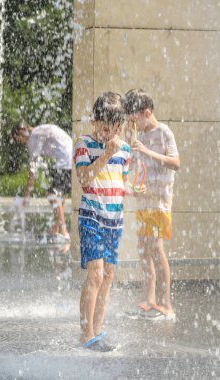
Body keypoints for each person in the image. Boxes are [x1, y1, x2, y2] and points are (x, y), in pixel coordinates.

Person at [73, 91, 143, 352]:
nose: (110, 133)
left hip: (114, 220)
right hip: (91, 216)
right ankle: (86, 334)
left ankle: (98, 331)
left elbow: (120, 183)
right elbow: (85, 179)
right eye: (105, 127)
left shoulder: (124, 150)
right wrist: (104, 155)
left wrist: (132, 190)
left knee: (109, 276)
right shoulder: (83, 144)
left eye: (115, 128)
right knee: (95, 274)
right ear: (95, 121)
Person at [124, 89, 180, 321]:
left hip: (160, 202)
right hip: (145, 202)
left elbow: (175, 163)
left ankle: (167, 304)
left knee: (156, 248)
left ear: (146, 112)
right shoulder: (139, 137)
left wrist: (148, 151)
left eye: (134, 118)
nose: (132, 123)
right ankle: (150, 299)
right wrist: (133, 187)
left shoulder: (164, 132)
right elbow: (136, 169)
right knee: (143, 248)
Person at [12, 122, 72, 242]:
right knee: (60, 196)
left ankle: (64, 232)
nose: (20, 142)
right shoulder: (39, 131)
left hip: (65, 159)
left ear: (21, 132)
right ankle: (55, 229)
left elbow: (32, 170)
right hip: (70, 156)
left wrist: (27, 195)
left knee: (52, 195)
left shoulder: (33, 137)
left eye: (18, 139)